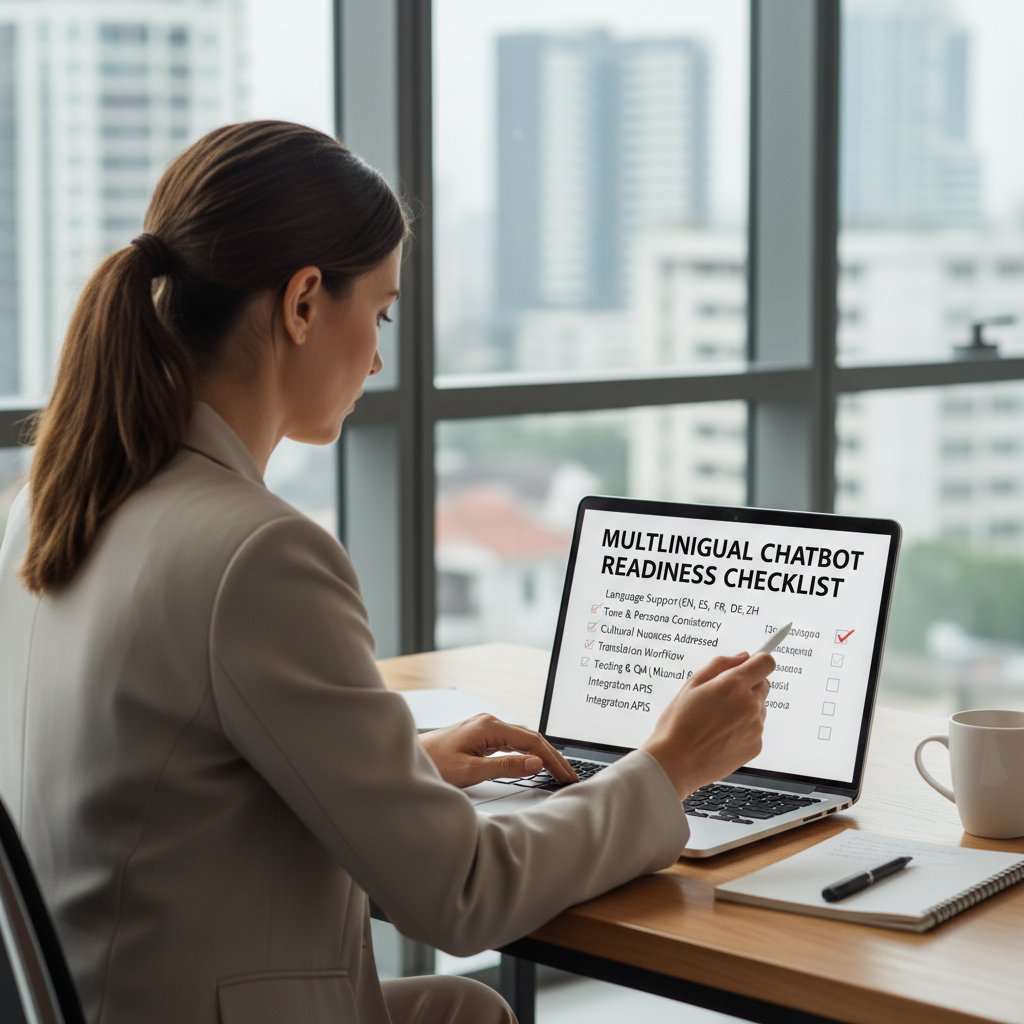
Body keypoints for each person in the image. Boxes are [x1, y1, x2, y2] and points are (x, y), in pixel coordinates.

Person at [0, 121, 773, 1024]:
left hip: (103, 996)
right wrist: (671, 765)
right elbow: (463, 893)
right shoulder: (257, 553)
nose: (375, 354)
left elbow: (167, 777)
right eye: (380, 312)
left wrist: (399, 771)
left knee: (461, 1013)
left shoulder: (48, 507)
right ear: (300, 304)